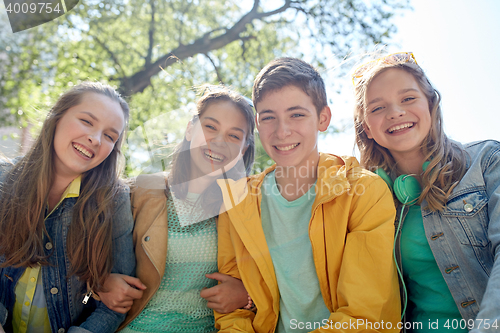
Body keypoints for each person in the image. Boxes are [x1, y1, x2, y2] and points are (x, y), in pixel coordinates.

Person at [214, 57, 401, 333]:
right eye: (269, 118)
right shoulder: (237, 201)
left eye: (297, 114)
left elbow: (364, 315)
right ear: (257, 123)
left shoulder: (364, 193)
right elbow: (232, 311)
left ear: (323, 118)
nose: (282, 131)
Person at [353, 52, 500, 332]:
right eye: (377, 108)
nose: (395, 112)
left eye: (408, 99)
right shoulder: (369, 199)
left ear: (431, 105)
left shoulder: (488, 160)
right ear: (367, 128)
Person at [103, 85, 255, 333]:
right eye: (210, 127)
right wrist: (101, 283)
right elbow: (89, 256)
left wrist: (247, 296)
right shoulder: (141, 190)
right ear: (189, 129)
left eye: (234, 136)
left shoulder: (245, 208)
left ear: (243, 149)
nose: (218, 142)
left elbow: (276, 280)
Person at [0, 82, 135, 333]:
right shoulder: (3, 180)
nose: (95, 139)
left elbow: (116, 303)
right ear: (57, 117)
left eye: (109, 136)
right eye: (87, 121)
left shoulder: (114, 200)